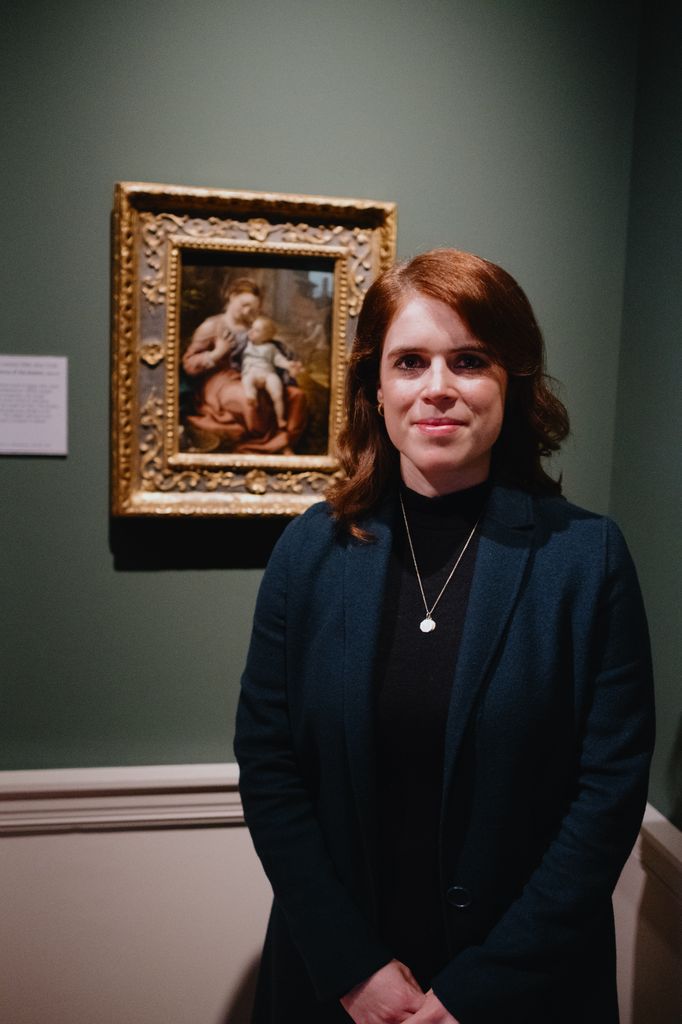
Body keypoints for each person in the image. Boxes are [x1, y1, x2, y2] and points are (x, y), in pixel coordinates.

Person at [234, 249, 655, 1024]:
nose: (438, 388)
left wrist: (480, 991)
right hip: (337, 985)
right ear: (376, 385)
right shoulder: (309, 553)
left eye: (469, 361)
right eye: (410, 362)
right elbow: (268, 768)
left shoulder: (586, 559)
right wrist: (352, 967)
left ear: (511, 383)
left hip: (528, 988)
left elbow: (607, 796)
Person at [182, 278, 307, 453]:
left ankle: (284, 439)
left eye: (253, 308)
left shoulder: (254, 327)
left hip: (254, 373)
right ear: (232, 297)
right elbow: (189, 364)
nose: (248, 311)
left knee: (295, 396)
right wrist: (217, 353)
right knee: (248, 401)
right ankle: (272, 445)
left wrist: (287, 365)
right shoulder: (213, 325)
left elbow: (270, 352)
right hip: (220, 381)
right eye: (244, 304)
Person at [241, 315, 303, 432]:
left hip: (268, 373)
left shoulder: (271, 348)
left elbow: (279, 360)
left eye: (257, 330)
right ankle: (251, 396)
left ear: (266, 336)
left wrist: (289, 365)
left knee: (277, 394)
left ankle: (280, 419)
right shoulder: (247, 344)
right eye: (252, 328)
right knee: (247, 380)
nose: (252, 332)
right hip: (252, 372)